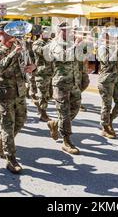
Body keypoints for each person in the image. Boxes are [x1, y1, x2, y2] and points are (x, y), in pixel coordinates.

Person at [0, 21, 35, 174]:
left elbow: (30, 66)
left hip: (20, 92)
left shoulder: (21, 47)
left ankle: (0, 140)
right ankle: (11, 158)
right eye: (10, 32)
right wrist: (14, 52)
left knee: (20, 122)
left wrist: (32, 67)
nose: (15, 35)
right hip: (3, 94)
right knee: (7, 127)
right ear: (1, 33)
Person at [46, 22, 82, 155]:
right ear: (62, 30)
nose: (72, 32)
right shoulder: (55, 44)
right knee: (64, 113)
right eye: (69, 30)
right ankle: (66, 141)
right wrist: (75, 45)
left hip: (73, 83)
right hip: (61, 83)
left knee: (76, 107)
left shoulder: (71, 43)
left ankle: (56, 124)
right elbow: (62, 57)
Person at [97, 28, 118, 139]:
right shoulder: (102, 48)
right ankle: (104, 127)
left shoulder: (115, 47)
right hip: (106, 80)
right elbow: (108, 61)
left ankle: (109, 121)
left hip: (116, 79)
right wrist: (117, 47)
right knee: (107, 105)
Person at [32, 26, 53, 122]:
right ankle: (43, 114)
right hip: (41, 73)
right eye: (46, 32)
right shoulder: (37, 43)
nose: (48, 34)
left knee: (49, 95)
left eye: (49, 32)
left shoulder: (50, 42)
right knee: (43, 95)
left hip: (51, 73)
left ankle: (39, 105)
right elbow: (43, 51)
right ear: (41, 33)